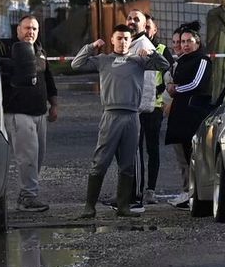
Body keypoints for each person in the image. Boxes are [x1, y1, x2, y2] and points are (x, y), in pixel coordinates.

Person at [70, 19, 171, 219]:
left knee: (127, 164)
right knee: (100, 162)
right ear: (112, 40)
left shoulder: (138, 60)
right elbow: (76, 64)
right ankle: (89, 207)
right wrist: (91, 47)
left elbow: (165, 65)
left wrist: (151, 53)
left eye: (126, 39)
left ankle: (124, 205)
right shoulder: (104, 60)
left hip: (133, 116)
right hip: (111, 115)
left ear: (130, 40)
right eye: (119, 39)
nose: (123, 42)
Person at [0, 15, 59, 213]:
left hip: (39, 113)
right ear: (18, 30)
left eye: (34, 28)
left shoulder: (40, 50)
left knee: (38, 157)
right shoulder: (7, 49)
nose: (30, 32)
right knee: (28, 158)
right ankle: (28, 197)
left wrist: (54, 104)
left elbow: (48, 79)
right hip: (18, 113)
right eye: (26, 28)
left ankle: (27, 193)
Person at [164, 21, 213, 204]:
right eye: (182, 41)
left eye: (188, 41)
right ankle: (189, 193)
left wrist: (176, 90)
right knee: (185, 154)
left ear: (197, 42)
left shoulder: (202, 60)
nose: (184, 44)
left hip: (193, 114)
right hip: (180, 115)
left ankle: (196, 194)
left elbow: (197, 84)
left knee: (195, 155)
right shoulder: (182, 61)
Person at [136, 14, 170, 204]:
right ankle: (137, 189)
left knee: (152, 148)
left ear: (155, 30)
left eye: (150, 27)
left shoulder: (161, 49)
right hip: (137, 106)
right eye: (145, 27)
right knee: (135, 148)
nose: (147, 30)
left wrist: (162, 89)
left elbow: (171, 72)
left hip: (155, 106)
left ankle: (151, 190)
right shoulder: (135, 47)